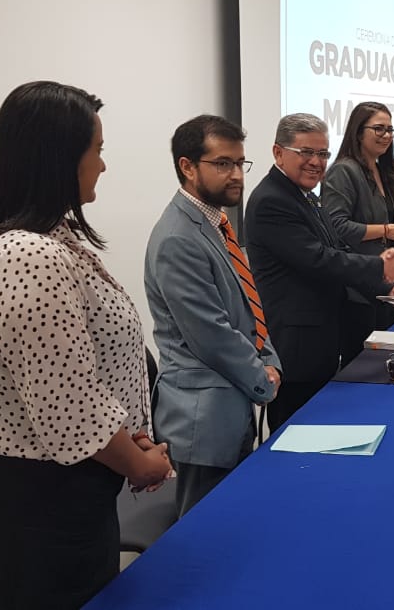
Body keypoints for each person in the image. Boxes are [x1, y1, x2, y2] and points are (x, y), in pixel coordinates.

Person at [0, 81, 173, 609]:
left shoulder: (43, 238)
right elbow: (68, 409)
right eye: (97, 150)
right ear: (58, 158)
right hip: (46, 497)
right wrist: (139, 464)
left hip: (53, 483)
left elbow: (74, 376)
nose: (103, 165)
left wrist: (129, 437)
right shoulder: (28, 256)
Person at [145, 115, 283, 516]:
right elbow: (211, 334)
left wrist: (270, 360)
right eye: (223, 163)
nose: (236, 174)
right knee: (204, 533)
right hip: (202, 419)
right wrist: (263, 378)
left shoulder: (215, 224)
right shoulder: (178, 237)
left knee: (234, 524)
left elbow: (246, 307)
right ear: (187, 167)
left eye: (240, 163)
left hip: (229, 404)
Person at [244, 113, 394, 432]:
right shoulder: (271, 200)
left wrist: (384, 287)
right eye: (306, 152)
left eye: (322, 153)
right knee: (296, 435)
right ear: (278, 152)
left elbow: (338, 250)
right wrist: (380, 265)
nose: (316, 162)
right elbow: (320, 260)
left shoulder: (305, 196)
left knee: (321, 431)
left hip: (321, 341)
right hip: (296, 349)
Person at [322, 101, 394, 353]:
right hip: (357, 290)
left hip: (383, 284)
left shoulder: (380, 168)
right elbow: (336, 226)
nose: (386, 135)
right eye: (378, 129)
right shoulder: (344, 171)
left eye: (390, 130)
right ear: (358, 132)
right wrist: (387, 230)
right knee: (362, 363)